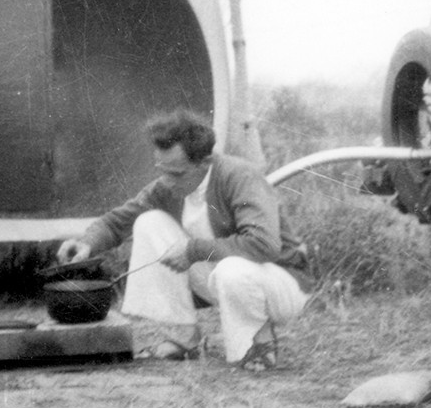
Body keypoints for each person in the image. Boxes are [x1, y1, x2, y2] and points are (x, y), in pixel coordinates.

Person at [55, 110, 312, 371]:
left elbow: (263, 244)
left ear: (206, 162)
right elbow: (119, 221)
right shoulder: (169, 186)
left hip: (281, 283)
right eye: (162, 170)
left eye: (177, 173)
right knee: (149, 223)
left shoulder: (239, 176)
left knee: (231, 269)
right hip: (227, 278)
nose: (167, 181)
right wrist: (87, 243)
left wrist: (192, 250)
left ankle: (259, 345)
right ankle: (183, 337)